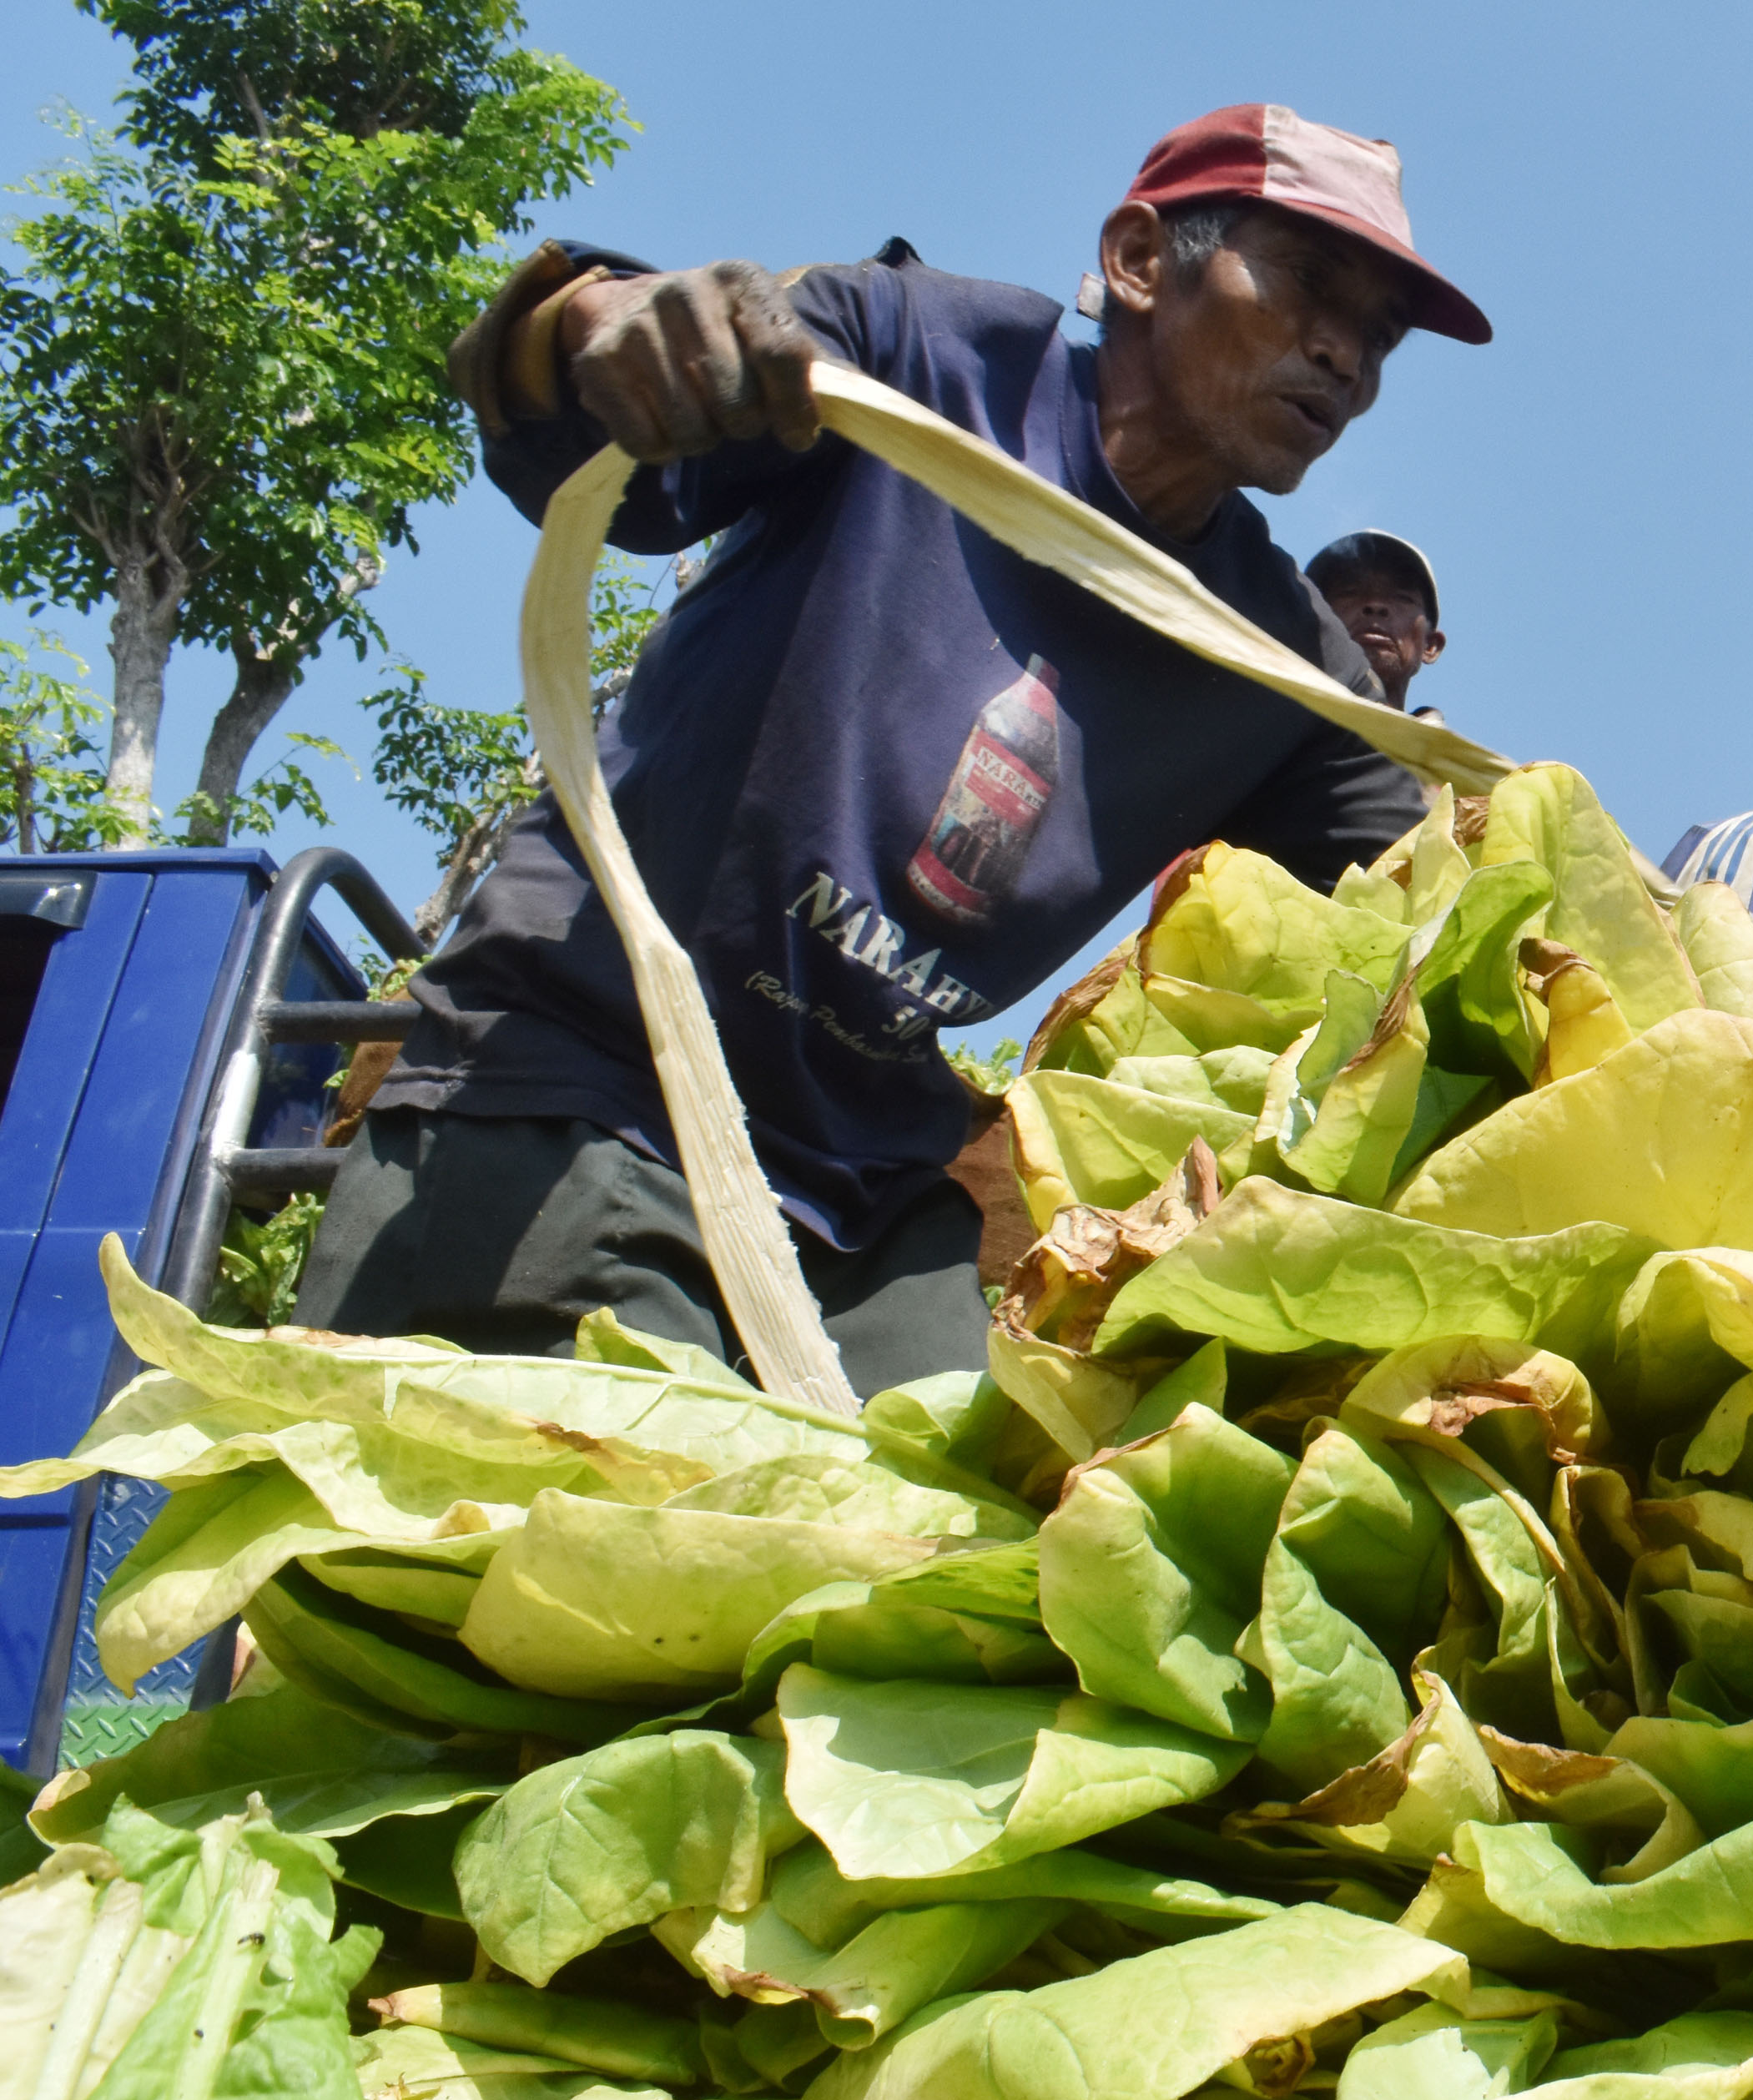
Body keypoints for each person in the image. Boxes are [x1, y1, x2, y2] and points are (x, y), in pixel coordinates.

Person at [293, 103, 1494, 1392]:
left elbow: (1473, 878)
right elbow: (613, 407)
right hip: (586, 1071)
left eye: (1378, 337)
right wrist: (597, 326)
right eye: (1311, 286)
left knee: (954, 1541)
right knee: (659, 1514)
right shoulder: (924, 356)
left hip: (859, 1187)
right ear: (1142, 260)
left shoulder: (1273, 655)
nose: (1346, 360)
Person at [1305, 530, 1446, 715]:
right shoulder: (1265, 728)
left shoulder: (1439, 744)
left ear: (1430, 645)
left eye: (1402, 598)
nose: (1375, 605)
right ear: (1310, 626)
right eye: (1349, 592)